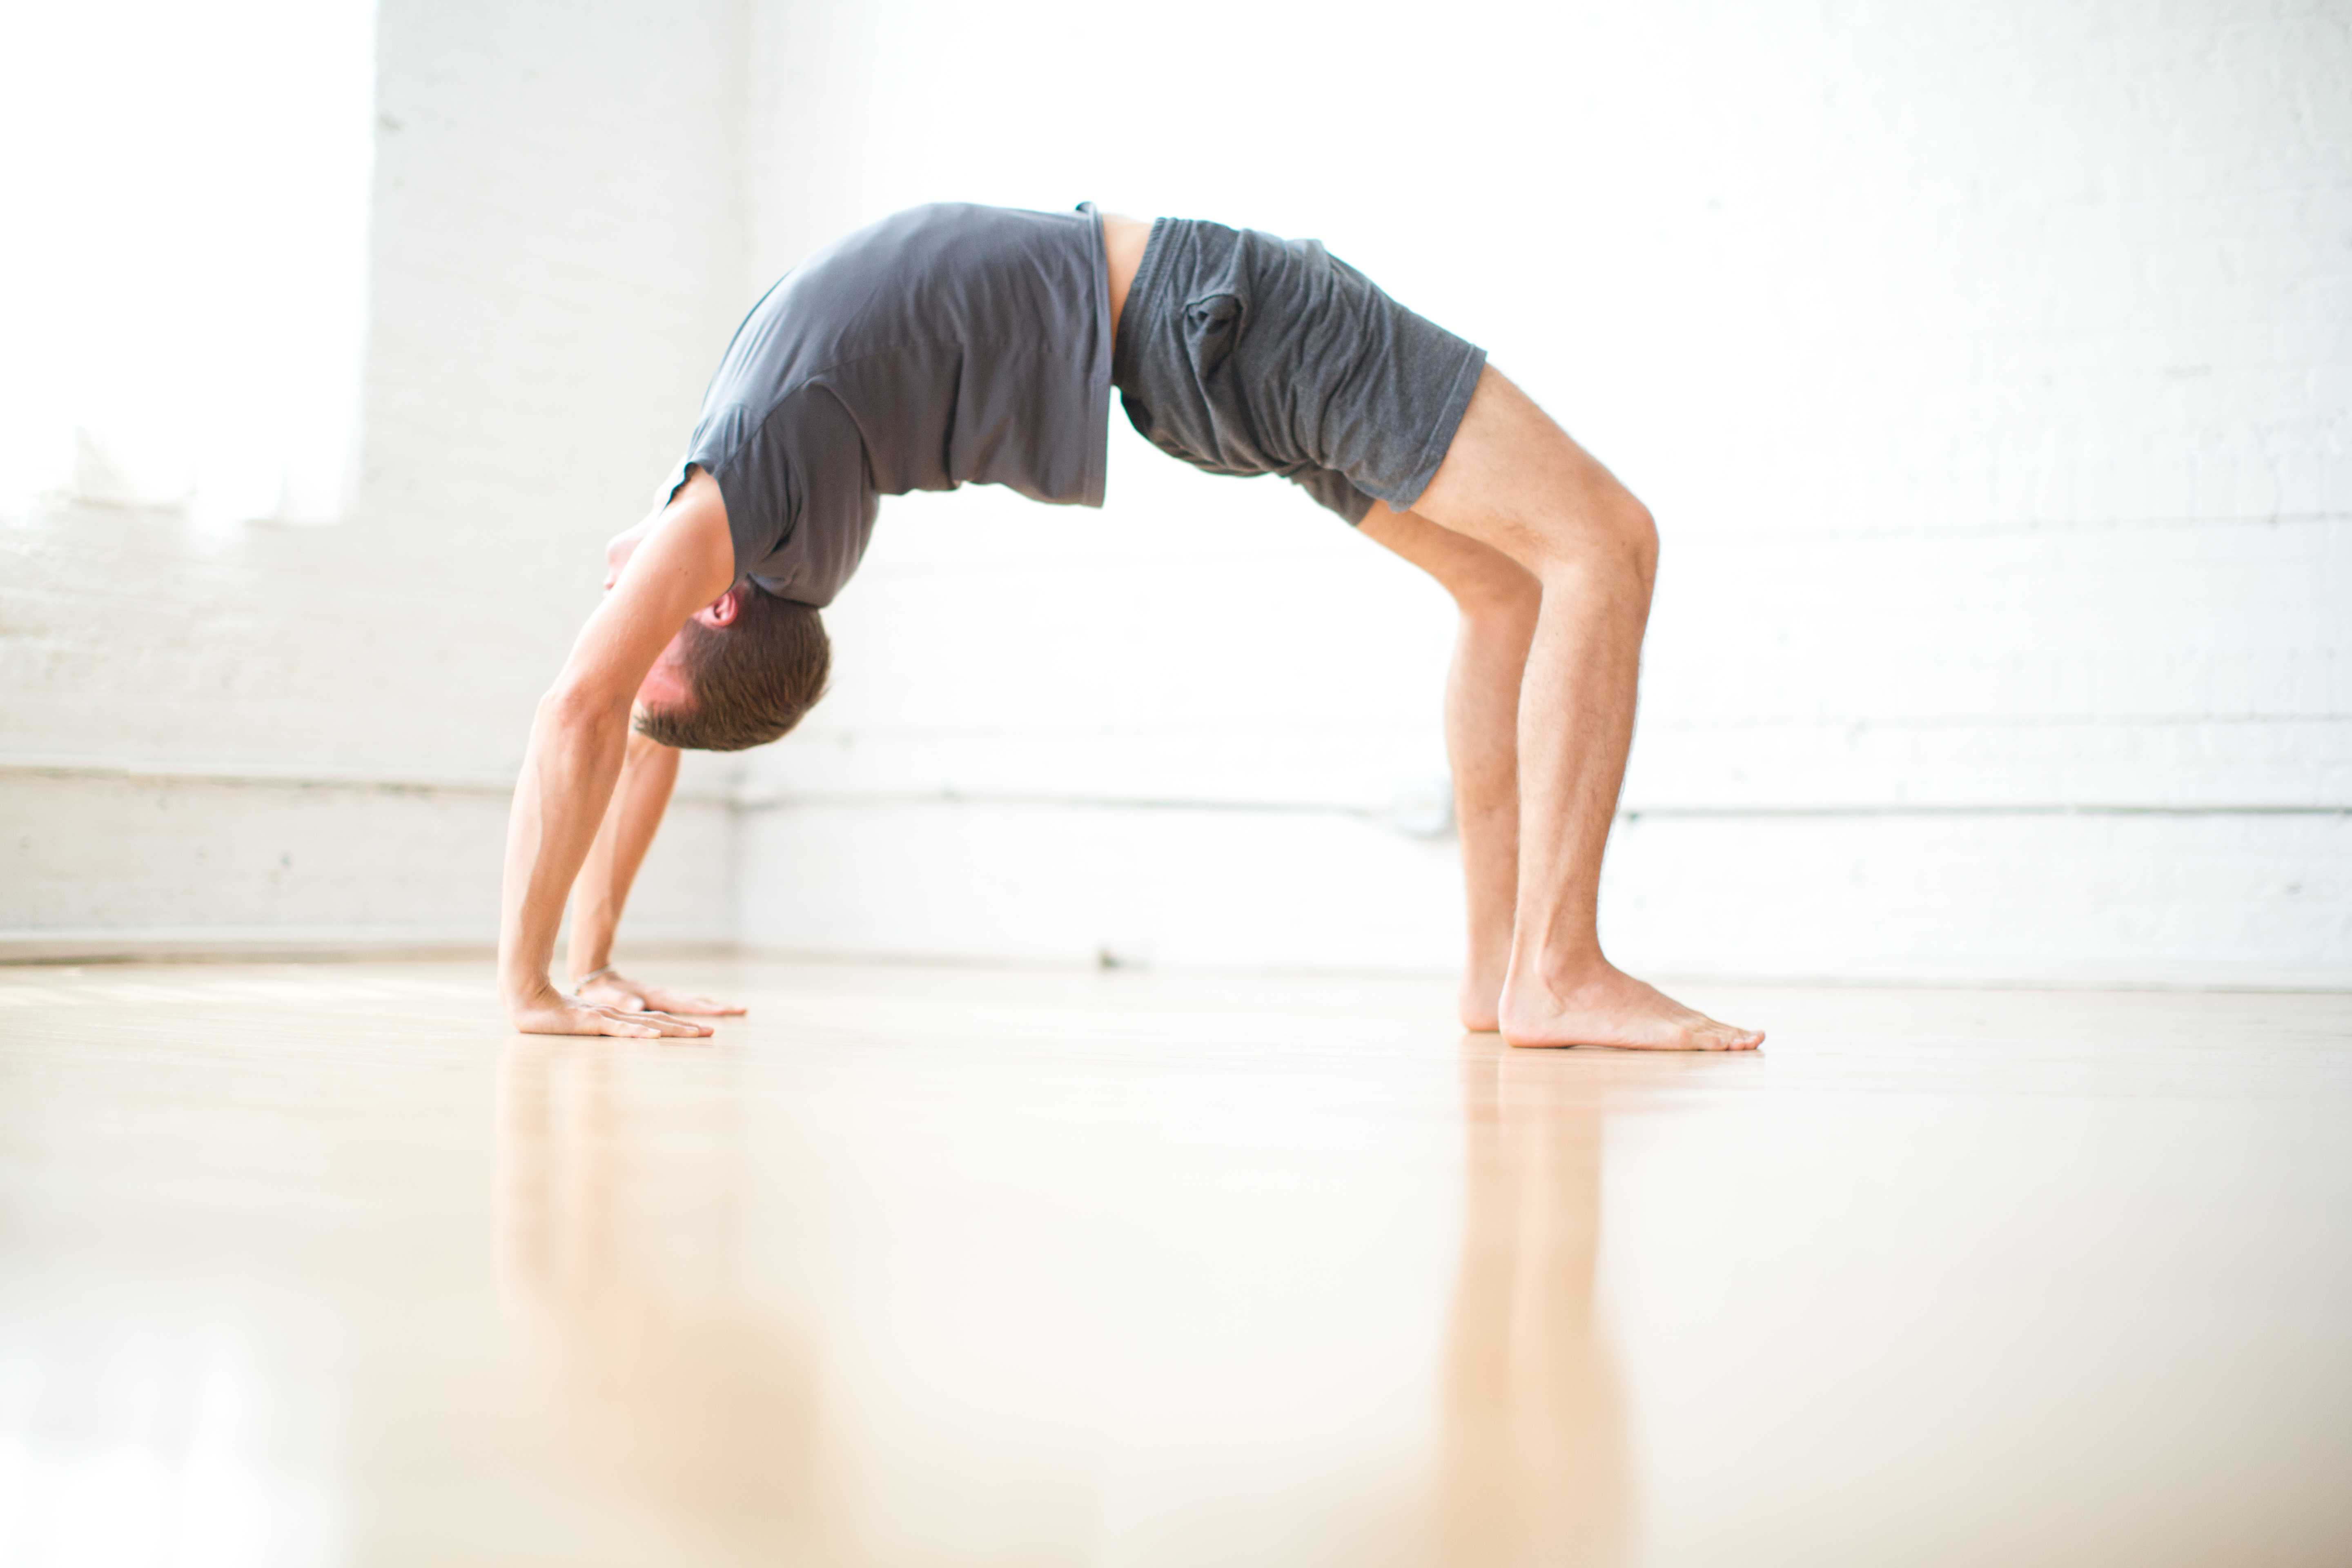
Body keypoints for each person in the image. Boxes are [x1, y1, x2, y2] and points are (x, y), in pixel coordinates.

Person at [498, 203, 1762, 1053]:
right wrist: (531, 985)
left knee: (1504, 585)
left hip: (1180, 374)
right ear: (711, 608)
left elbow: (648, 719)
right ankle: (1557, 966)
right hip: (1219, 312)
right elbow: (594, 712)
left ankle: (1505, 980)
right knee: (1606, 540)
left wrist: (591, 957)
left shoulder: (777, 560)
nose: (613, 617)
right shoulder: (749, 492)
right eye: (639, 622)